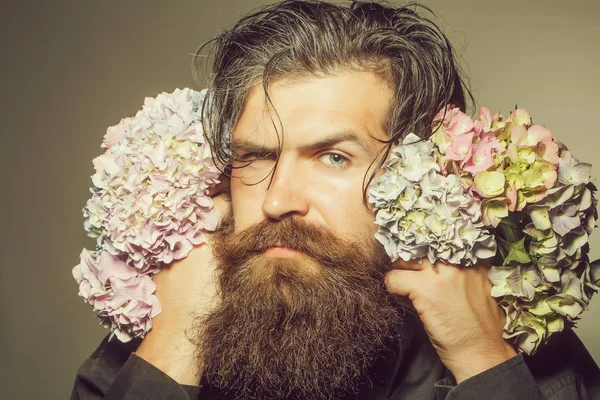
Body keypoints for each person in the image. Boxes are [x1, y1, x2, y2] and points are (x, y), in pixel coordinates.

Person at [71, 1, 600, 399]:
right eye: (255, 157)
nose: (277, 201)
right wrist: (172, 348)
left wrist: (483, 362)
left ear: (430, 183)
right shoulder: (145, 353)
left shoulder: (525, 363)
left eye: (333, 157)